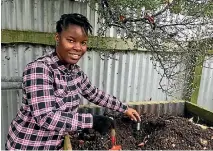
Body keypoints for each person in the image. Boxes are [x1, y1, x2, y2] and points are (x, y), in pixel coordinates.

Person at [5, 13, 141, 150]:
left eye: (83, 43)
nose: (78, 48)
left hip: (56, 145)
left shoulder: (76, 73)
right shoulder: (39, 69)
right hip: (27, 144)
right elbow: (46, 117)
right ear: (57, 38)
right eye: (71, 40)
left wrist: (124, 108)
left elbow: (95, 94)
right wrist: (92, 121)